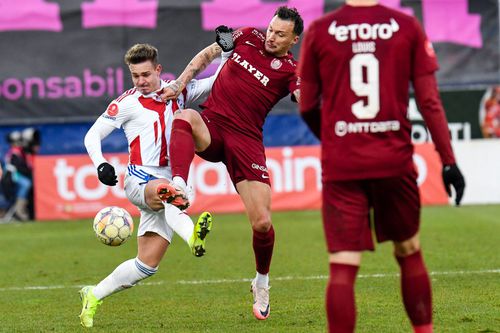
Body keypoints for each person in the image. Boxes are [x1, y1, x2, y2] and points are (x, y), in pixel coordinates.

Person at [298, 1, 466, 332]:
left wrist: (337, 140)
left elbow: (306, 106)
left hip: (342, 165)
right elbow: (430, 102)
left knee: (343, 265)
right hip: (395, 161)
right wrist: (448, 160)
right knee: (409, 249)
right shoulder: (405, 26)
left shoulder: (320, 30)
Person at [159, 6, 303, 320]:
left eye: (280, 34)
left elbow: (302, 95)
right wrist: (181, 82)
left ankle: (261, 283)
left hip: (247, 142)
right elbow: (211, 51)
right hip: (213, 125)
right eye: (271, 28)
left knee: (262, 223)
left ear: (293, 40)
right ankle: (180, 185)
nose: (271, 36)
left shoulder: (291, 69)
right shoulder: (249, 36)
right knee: (184, 117)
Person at [80, 43, 229, 328]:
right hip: (140, 180)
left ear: (158, 70)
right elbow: (92, 135)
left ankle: (93, 294)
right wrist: (100, 163)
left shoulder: (179, 91)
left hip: (171, 179)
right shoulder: (126, 103)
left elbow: (219, 80)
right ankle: (192, 237)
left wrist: (224, 54)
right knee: (170, 191)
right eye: (135, 76)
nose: (141, 81)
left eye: (146, 74)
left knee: (146, 265)